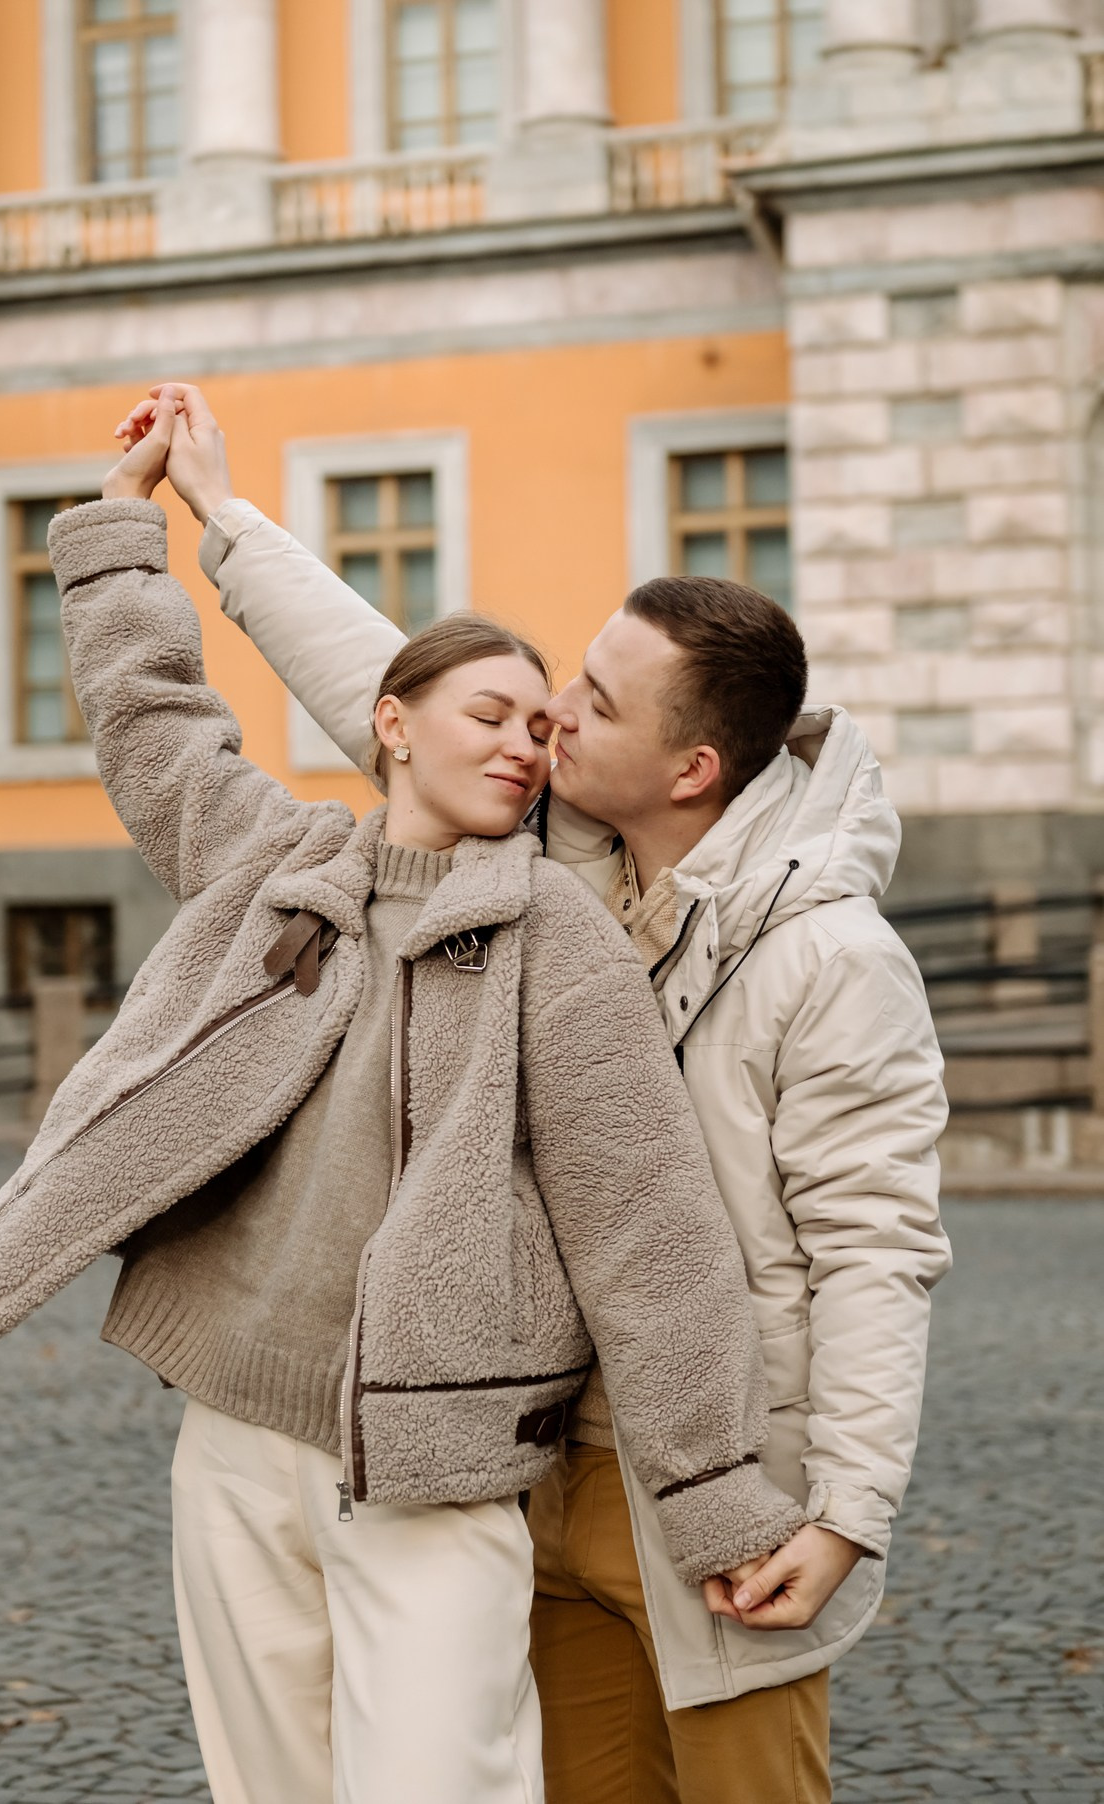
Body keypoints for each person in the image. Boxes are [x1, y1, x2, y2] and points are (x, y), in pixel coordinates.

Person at [0, 389, 807, 1804]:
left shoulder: (559, 941)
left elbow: (648, 1233)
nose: (526, 745)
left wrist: (714, 1495)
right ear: (391, 726)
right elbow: (156, 727)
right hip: (234, 1430)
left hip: (435, 1463)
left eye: (545, 726)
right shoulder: (276, 866)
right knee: (270, 1784)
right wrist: (121, 526)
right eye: (491, 714)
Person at [121, 382, 954, 1804]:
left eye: (595, 703)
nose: (552, 716)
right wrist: (221, 511)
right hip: (532, 1458)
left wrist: (847, 1512)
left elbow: (878, 1248)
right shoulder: (550, 850)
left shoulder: (832, 960)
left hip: (723, 1486)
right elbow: (396, 692)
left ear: (691, 768)